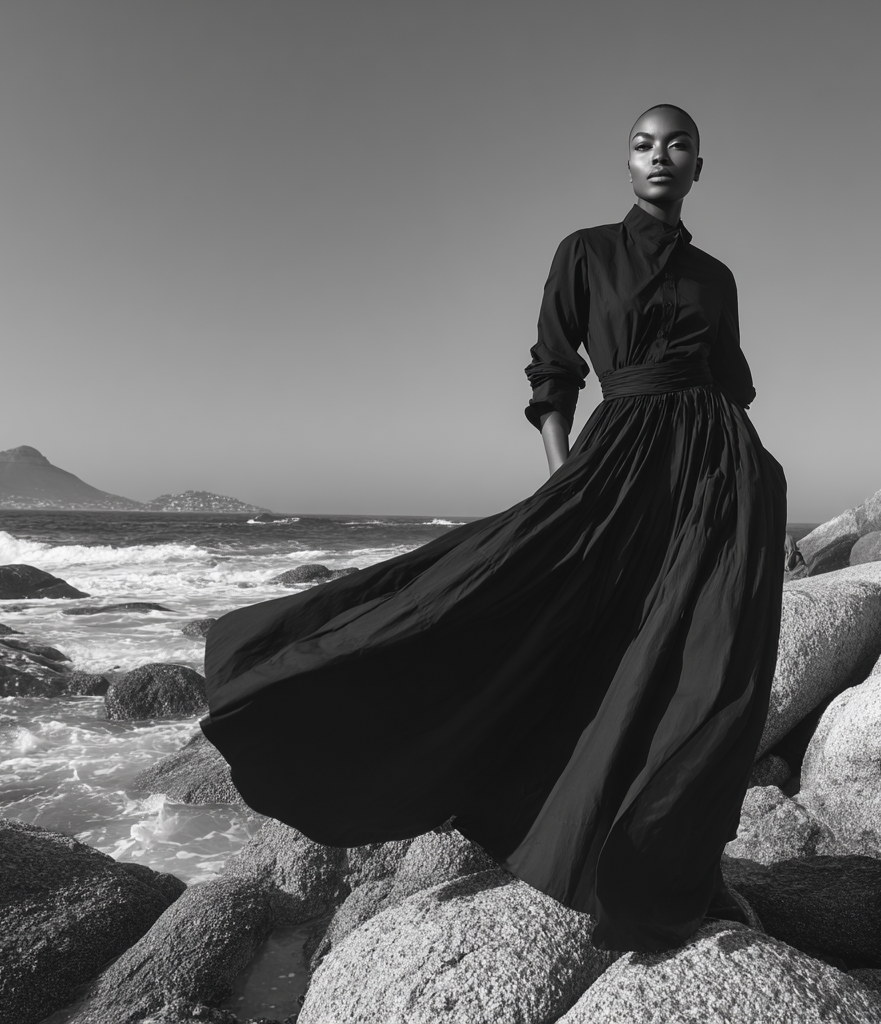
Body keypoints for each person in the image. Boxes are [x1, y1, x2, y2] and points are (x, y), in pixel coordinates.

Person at [200, 103, 787, 953]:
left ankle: (687, 860)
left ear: (702, 165)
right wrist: (567, 483)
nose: (660, 157)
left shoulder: (717, 277)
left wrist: (752, 481)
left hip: (718, 478)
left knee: (715, 667)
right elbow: (554, 373)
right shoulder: (584, 252)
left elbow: (730, 386)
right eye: (643, 144)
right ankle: (569, 826)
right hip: (617, 466)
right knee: (519, 612)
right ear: (627, 163)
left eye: (678, 145)